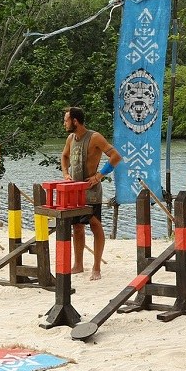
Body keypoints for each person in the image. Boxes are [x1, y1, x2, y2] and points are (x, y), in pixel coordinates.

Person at [60, 106, 122, 281]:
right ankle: (78, 264)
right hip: (75, 190)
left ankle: (96, 267)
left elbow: (116, 156)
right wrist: (65, 173)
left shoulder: (94, 137)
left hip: (91, 190)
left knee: (95, 225)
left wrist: (99, 176)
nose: (64, 124)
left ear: (75, 121)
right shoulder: (70, 138)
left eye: (66, 120)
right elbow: (64, 156)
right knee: (77, 227)